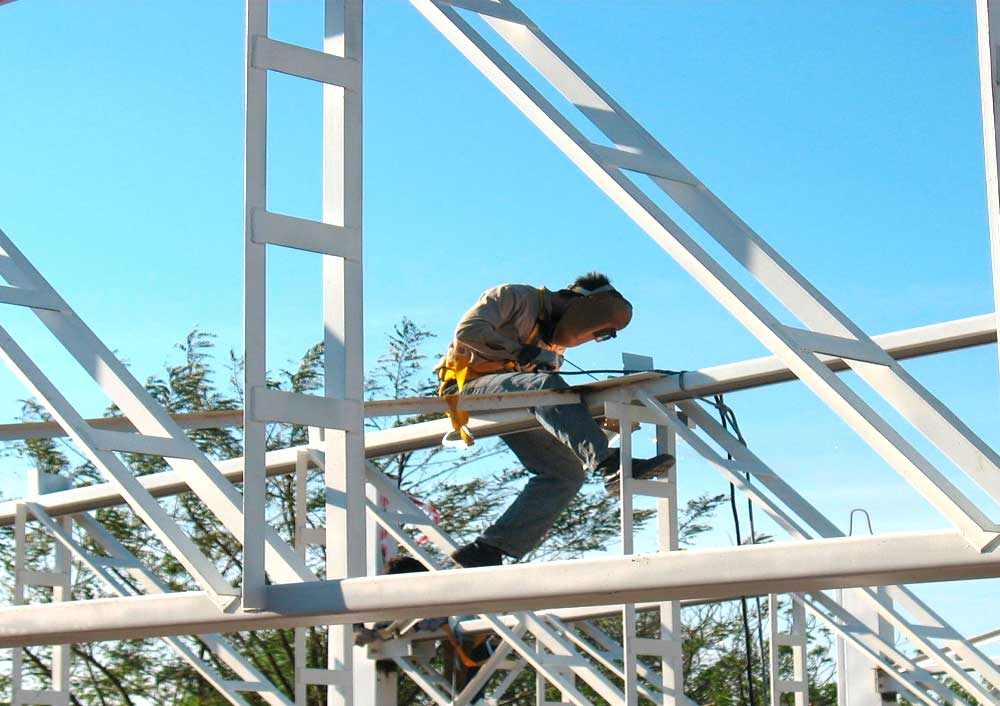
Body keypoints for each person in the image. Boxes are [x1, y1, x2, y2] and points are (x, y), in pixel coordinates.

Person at [435, 272, 675, 568]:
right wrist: (523, 351)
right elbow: (468, 333)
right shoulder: (514, 296)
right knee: (548, 388)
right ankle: (607, 461)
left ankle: (487, 549)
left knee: (566, 472)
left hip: (518, 399)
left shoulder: (551, 341)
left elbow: (556, 406)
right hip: (469, 388)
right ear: (577, 303)